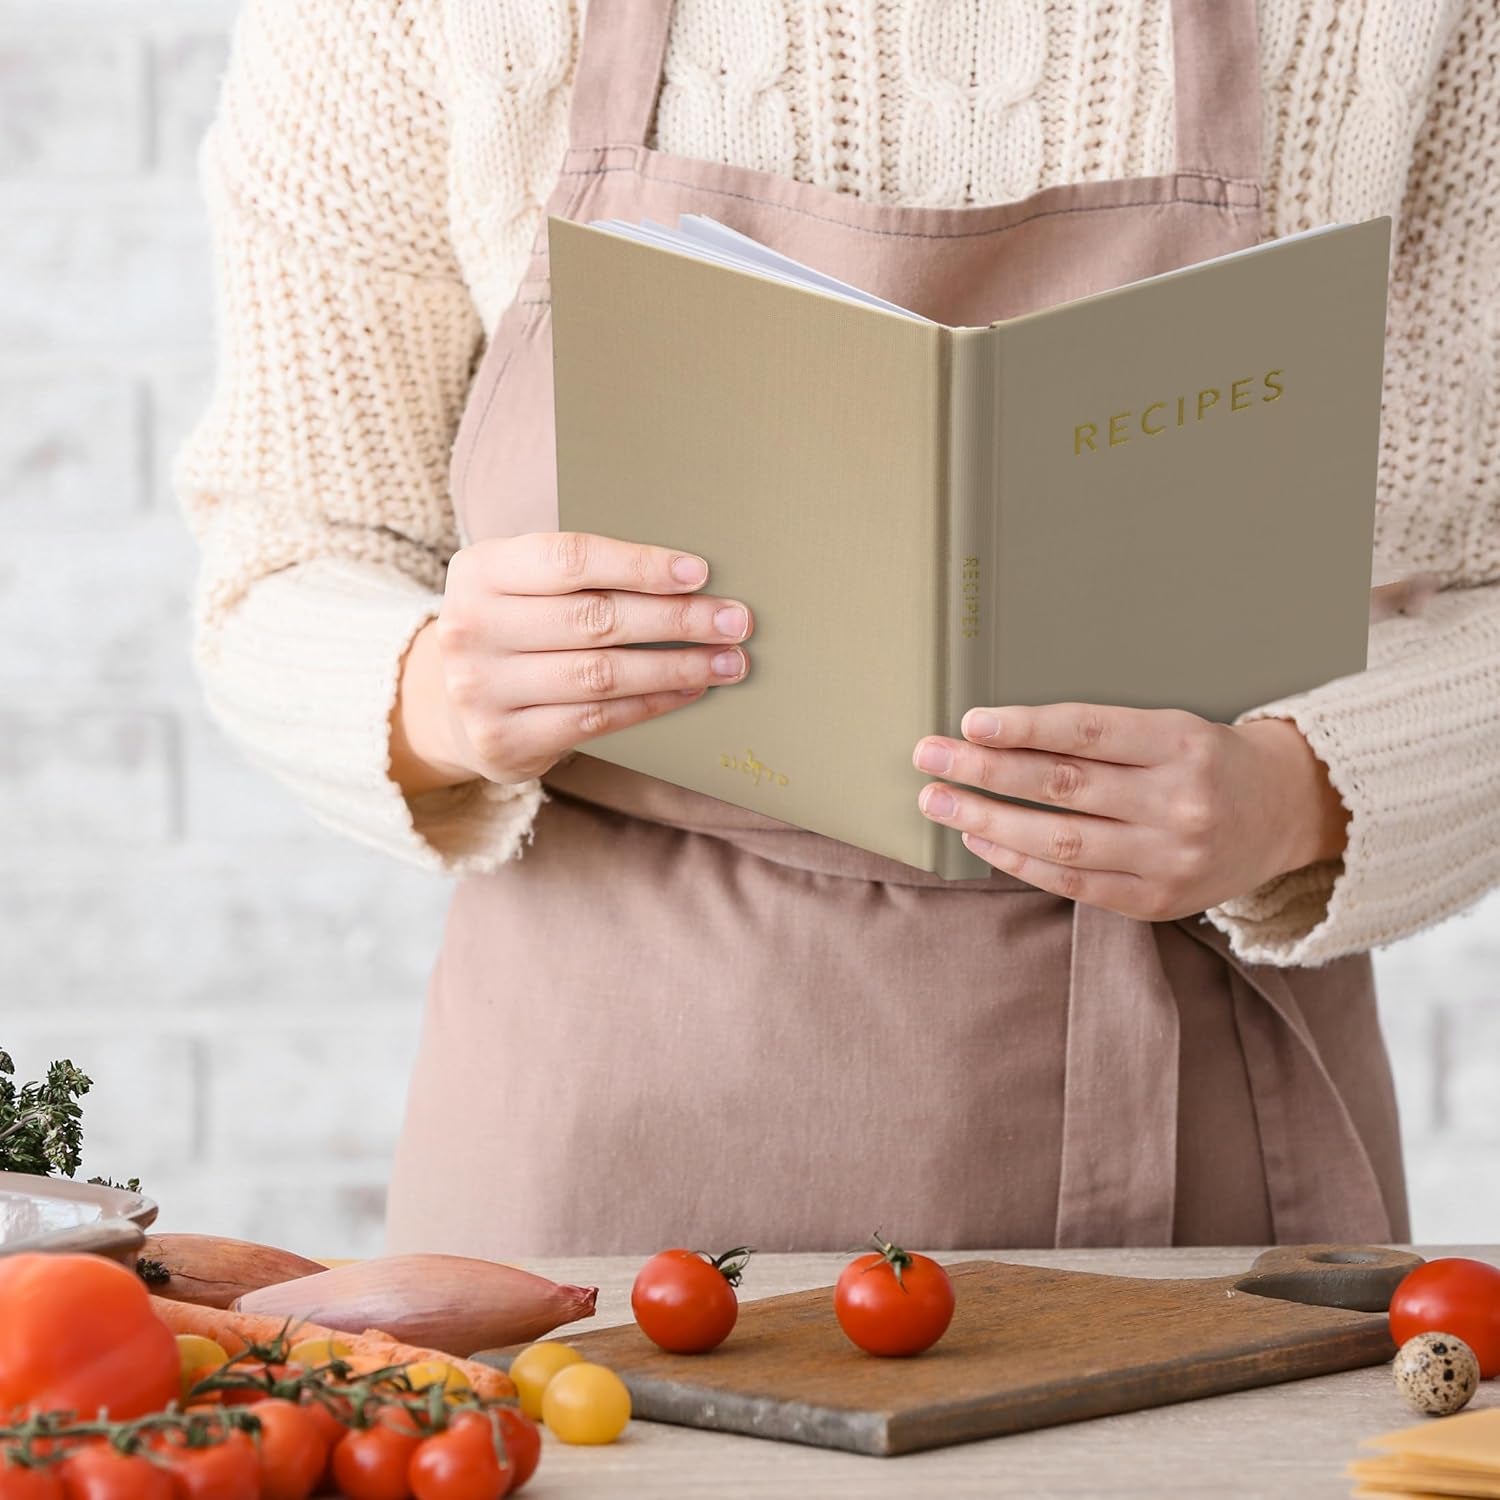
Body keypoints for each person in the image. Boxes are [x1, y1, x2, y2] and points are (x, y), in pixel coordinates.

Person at [176, 0, 1499, 1258]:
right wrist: (439, 691)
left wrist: (1293, 799)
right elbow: (286, 554)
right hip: (608, 1125)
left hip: (1190, 1123)